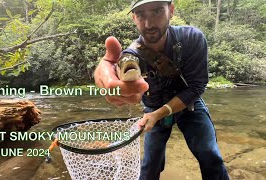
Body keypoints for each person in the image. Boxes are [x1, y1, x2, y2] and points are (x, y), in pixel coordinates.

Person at [94, 0, 230, 179]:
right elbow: (120, 64)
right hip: (152, 108)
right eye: (141, 15)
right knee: (150, 165)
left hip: (189, 104)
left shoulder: (192, 38)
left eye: (157, 11)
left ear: (171, 10)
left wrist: (160, 113)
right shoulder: (132, 54)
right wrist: (106, 76)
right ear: (134, 18)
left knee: (210, 155)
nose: (149, 24)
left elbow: (197, 87)